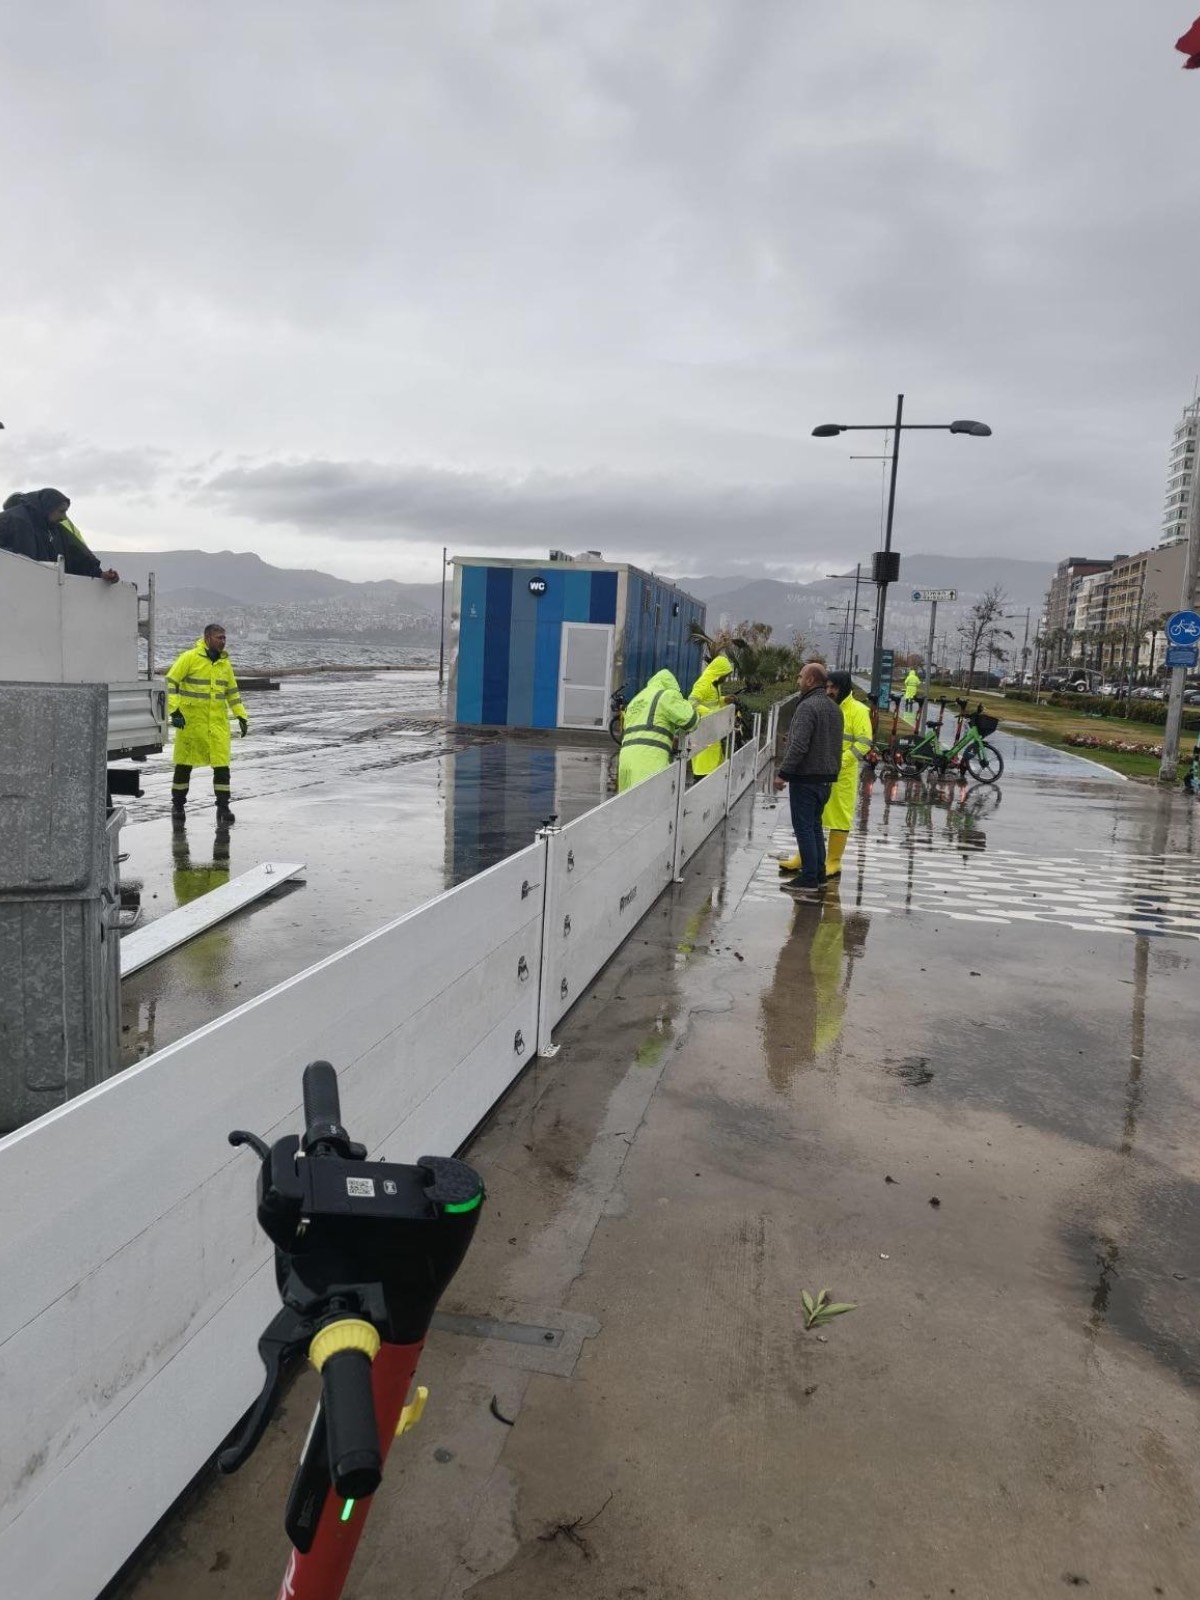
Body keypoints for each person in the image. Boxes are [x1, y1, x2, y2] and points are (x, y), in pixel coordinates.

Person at [778, 670, 872, 880]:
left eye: (834, 687)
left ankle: (833, 861)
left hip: (843, 774)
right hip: (824, 770)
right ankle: (806, 858)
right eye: (827, 686)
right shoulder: (828, 706)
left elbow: (864, 742)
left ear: (844, 688)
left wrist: (841, 761)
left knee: (839, 817)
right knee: (813, 819)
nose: (829, 691)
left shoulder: (857, 710)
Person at [772, 662, 843, 899]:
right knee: (814, 827)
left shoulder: (807, 707)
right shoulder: (834, 708)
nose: (798, 680)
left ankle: (809, 877)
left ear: (811, 680)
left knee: (804, 827)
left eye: (800, 676)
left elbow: (800, 745)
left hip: (806, 778)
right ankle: (819, 876)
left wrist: (783, 773)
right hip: (826, 779)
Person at [166, 623, 249, 822]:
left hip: (217, 725)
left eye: (224, 638)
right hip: (191, 724)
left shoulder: (224, 664)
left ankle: (223, 808)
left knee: (222, 766)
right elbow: (170, 682)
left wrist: (241, 716)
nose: (223, 641)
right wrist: (174, 710)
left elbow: (232, 693)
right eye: (219, 637)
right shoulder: (189, 658)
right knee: (184, 765)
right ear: (207, 638)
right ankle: (178, 805)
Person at [0, 489, 119, 580]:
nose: (64, 517)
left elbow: (76, 553)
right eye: (61, 511)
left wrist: (100, 574)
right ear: (48, 507)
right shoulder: (11, 520)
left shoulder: (55, 529)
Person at [617, 668, 699, 792]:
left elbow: (643, 732)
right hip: (648, 762)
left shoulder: (635, 700)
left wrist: (669, 738)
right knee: (651, 801)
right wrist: (686, 703)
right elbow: (691, 721)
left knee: (628, 802)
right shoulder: (666, 695)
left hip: (625, 761)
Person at [688, 653, 736, 777]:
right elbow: (692, 703)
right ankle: (700, 781)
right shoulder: (704, 683)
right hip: (704, 729)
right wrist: (710, 715)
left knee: (712, 761)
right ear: (719, 673)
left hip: (712, 729)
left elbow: (711, 702)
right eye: (725, 675)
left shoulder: (715, 685)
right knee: (704, 762)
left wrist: (724, 700)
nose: (726, 678)